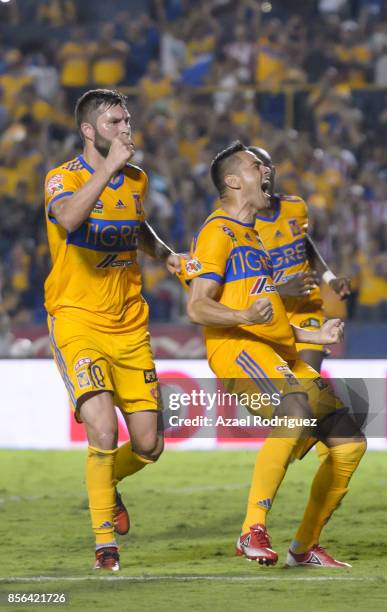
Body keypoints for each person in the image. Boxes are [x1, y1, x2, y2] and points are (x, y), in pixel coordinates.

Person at [185, 141, 366, 568]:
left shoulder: (252, 236)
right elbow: (196, 306)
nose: (265, 171)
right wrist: (243, 312)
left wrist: (315, 334)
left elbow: (272, 317)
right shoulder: (217, 231)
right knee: (296, 408)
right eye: (254, 166)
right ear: (233, 181)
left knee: (350, 444)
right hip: (239, 350)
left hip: (276, 350)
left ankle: (304, 547)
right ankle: (252, 529)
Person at [44, 89, 181, 571]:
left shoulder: (137, 180)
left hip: (129, 325)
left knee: (149, 445)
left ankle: (108, 485)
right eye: (115, 122)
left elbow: (138, 227)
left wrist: (167, 255)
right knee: (102, 429)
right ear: (89, 130)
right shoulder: (62, 178)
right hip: (77, 320)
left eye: (128, 120)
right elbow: (68, 217)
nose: (127, 129)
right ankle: (106, 546)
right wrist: (107, 170)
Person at [248, 146, 351, 463]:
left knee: (307, 374)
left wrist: (329, 276)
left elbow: (305, 245)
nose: (266, 173)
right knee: (284, 398)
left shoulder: (296, 207)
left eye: (269, 166)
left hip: (307, 309)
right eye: (257, 167)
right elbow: (242, 283)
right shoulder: (240, 225)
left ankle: (307, 440)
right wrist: (281, 286)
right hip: (270, 316)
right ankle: (304, 436)